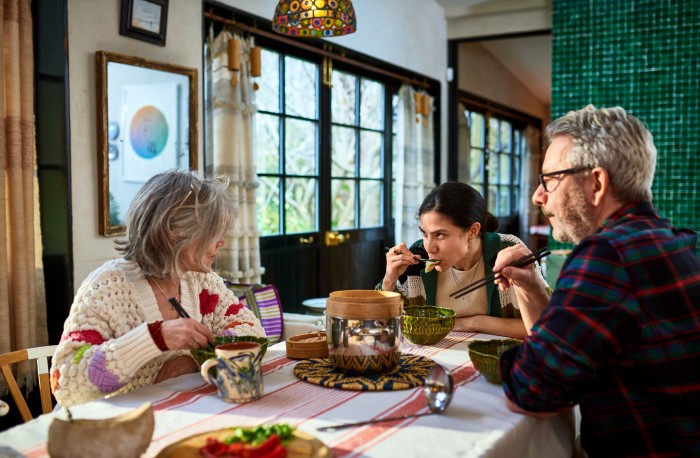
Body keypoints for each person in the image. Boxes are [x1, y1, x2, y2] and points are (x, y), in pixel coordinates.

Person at [494, 105, 700, 456]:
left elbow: (531, 390)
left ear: (597, 183)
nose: (538, 196)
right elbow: (566, 352)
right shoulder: (668, 239)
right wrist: (529, 284)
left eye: (550, 180)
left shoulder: (608, 255)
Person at [50, 171, 265, 407]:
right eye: (213, 233)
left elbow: (252, 332)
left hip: (180, 414)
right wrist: (154, 338)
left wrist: (195, 362)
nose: (222, 241)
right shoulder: (107, 287)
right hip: (112, 427)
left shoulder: (202, 281)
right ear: (174, 234)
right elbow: (67, 383)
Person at [380, 182, 549, 339]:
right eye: (425, 233)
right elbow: (383, 326)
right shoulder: (417, 257)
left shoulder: (507, 251)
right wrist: (389, 280)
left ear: (473, 231)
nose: (430, 247)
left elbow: (545, 328)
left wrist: (474, 323)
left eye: (440, 235)